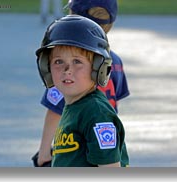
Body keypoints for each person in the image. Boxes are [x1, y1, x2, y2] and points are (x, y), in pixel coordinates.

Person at [32, 0, 130, 167]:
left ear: (98, 69)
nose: (67, 70)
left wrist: (43, 150)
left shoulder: (97, 114)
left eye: (77, 62)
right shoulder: (76, 106)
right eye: (58, 62)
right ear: (46, 68)